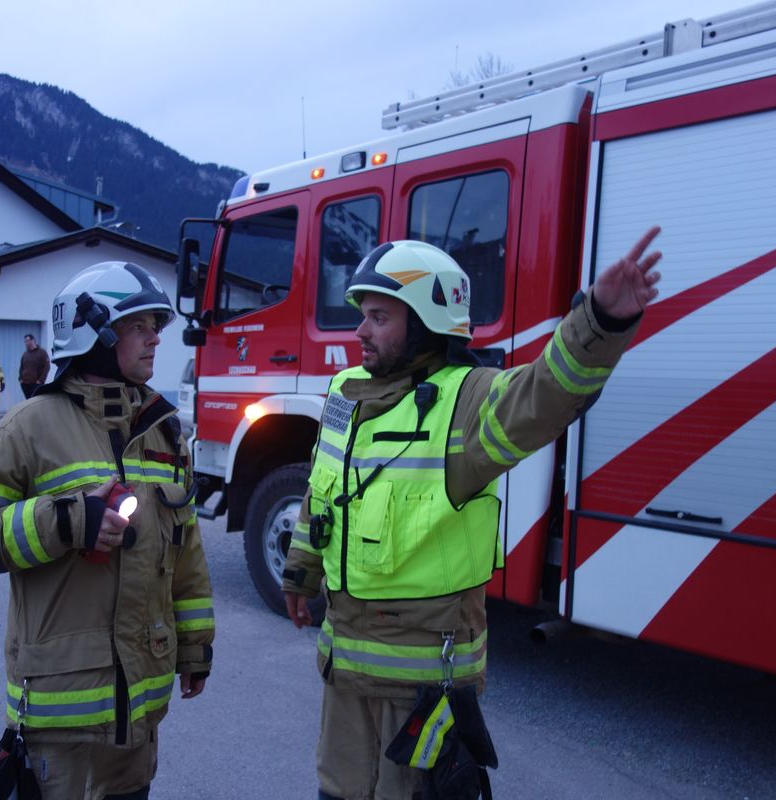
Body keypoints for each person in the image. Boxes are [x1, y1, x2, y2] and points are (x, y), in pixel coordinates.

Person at [282, 229, 663, 800]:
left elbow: (546, 394)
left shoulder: (467, 402)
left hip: (418, 692)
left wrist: (599, 321)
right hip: (343, 675)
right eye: (363, 314)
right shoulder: (345, 393)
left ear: (424, 325)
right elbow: (324, 485)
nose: (359, 330)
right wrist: (300, 570)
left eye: (379, 317)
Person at [0, 261, 214, 800]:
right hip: (60, 705)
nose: (156, 338)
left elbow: (186, 551)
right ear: (95, 332)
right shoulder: (31, 425)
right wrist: (65, 522)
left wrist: (196, 645)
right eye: (139, 326)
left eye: (156, 325)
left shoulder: (164, 431)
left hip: (141, 702)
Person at [19, 332, 50, 399]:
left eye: (27, 341)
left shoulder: (42, 352)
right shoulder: (25, 354)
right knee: (28, 401)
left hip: (36, 384)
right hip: (25, 384)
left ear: (33, 340)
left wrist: (40, 381)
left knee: (35, 401)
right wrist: (21, 379)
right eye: (25, 342)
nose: (26, 343)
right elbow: (21, 367)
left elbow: (47, 367)